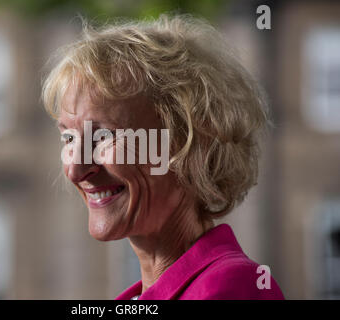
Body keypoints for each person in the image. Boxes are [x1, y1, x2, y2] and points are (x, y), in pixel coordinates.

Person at [41, 14, 284, 299]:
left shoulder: (231, 288)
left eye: (103, 136)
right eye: (68, 137)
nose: (75, 170)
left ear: (189, 144)